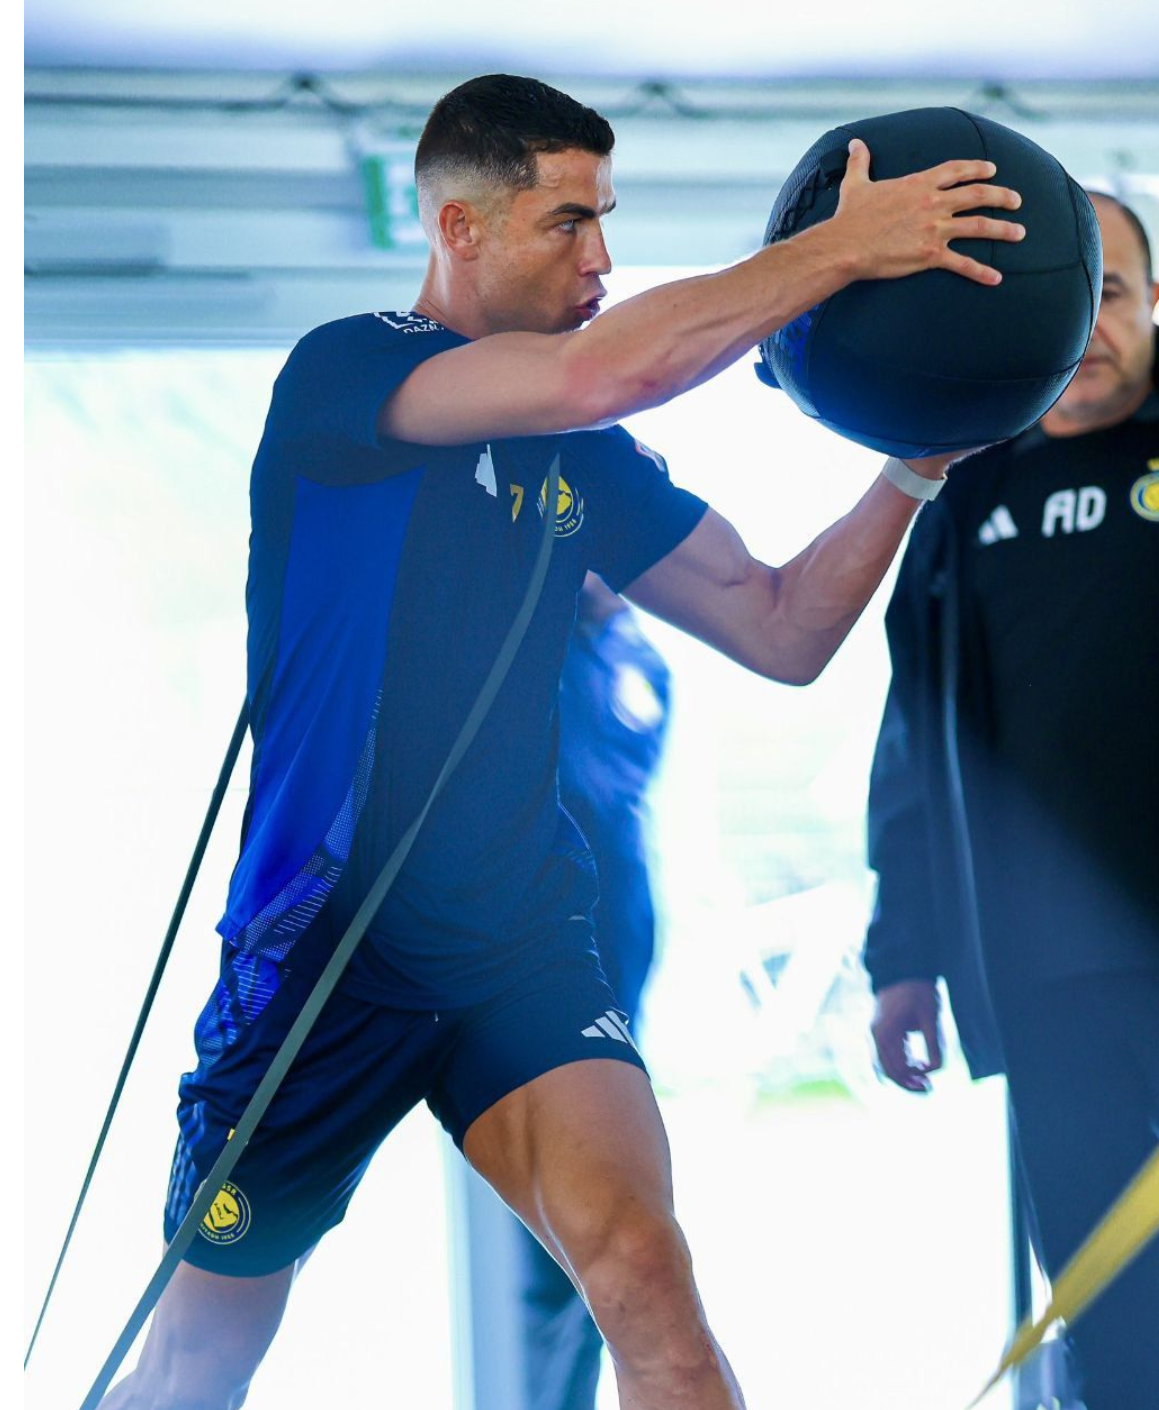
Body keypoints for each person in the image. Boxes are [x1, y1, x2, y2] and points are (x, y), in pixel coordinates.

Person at [105, 73, 1025, 1410]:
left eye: (606, 221)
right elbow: (607, 371)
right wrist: (841, 249)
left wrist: (909, 470)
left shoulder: (583, 460)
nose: (599, 258)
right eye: (566, 222)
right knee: (199, 1363)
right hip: (320, 953)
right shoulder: (348, 370)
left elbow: (777, 625)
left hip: (516, 944)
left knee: (645, 1277)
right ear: (457, 228)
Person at [863, 193, 1159, 1410]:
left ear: (1153, 303)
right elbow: (916, 739)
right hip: (1047, 977)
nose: (1088, 328)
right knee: (1108, 1310)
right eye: (1062, 303)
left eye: (1111, 293)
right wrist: (901, 957)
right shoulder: (963, 489)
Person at [512, 573, 670, 1410]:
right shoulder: (521, 651)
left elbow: (624, 769)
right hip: (528, 974)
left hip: (610, 956)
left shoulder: (628, 656)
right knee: (550, 1223)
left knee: (602, 1214)